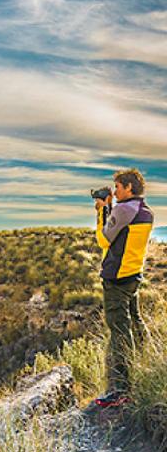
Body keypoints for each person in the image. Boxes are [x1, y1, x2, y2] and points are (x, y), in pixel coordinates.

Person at [93, 168, 154, 408]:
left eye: (117, 187)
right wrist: (110, 209)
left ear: (129, 187)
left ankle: (121, 390)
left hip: (116, 280)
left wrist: (101, 212)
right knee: (136, 323)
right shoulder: (145, 211)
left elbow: (104, 240)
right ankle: (143, 363)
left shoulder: (123, 209)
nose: (115, 191)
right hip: (133, 276)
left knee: (119, 332)